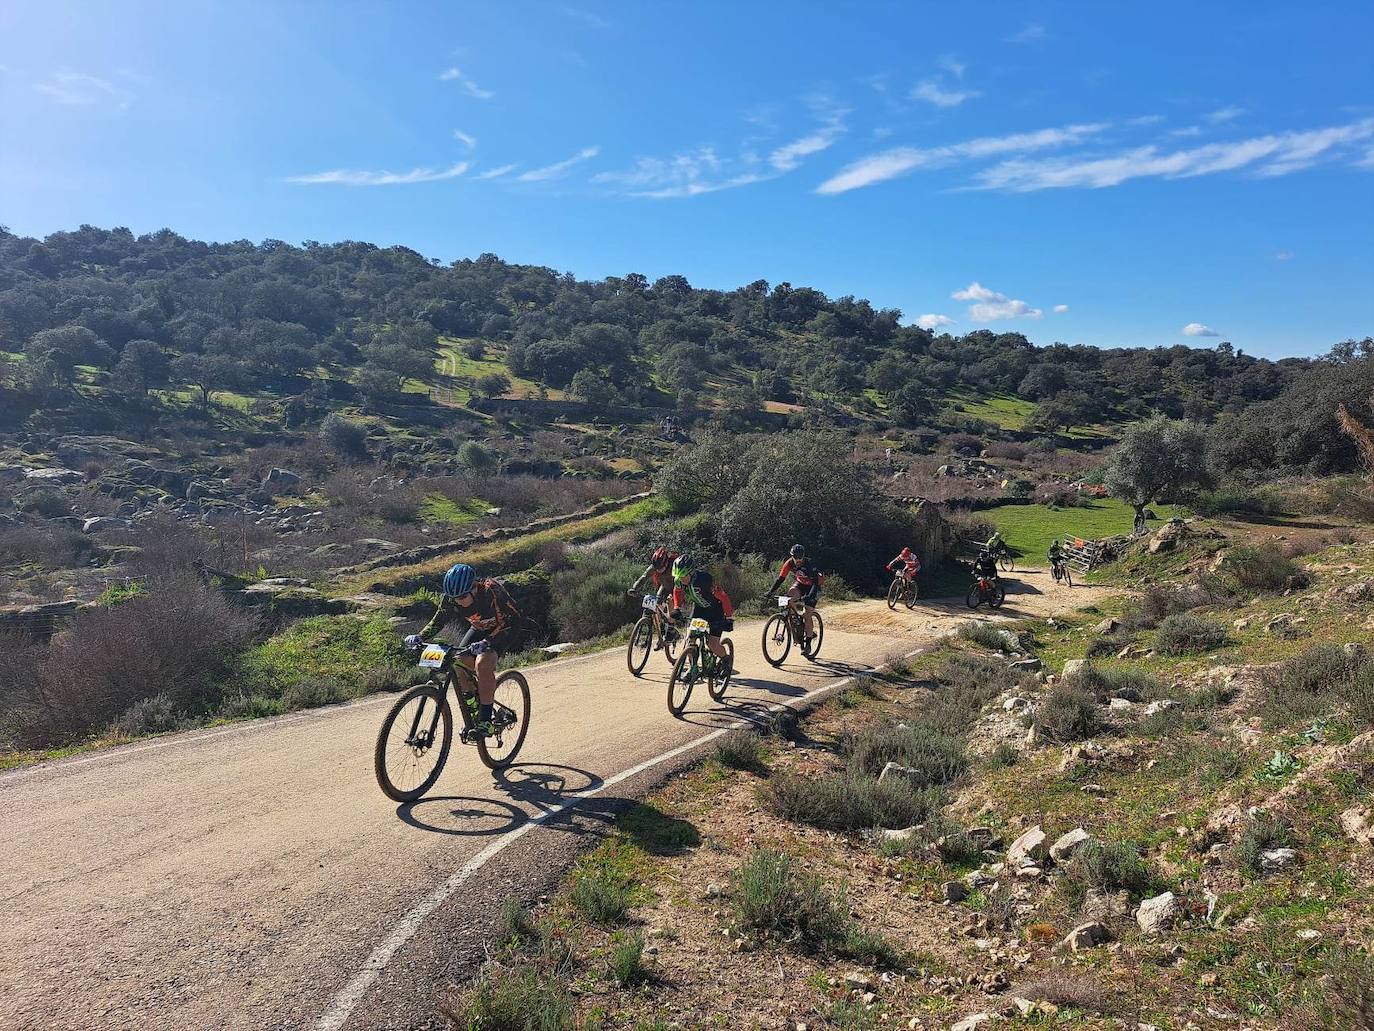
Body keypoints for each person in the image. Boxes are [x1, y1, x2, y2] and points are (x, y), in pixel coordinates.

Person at [404, 563, 524, 737]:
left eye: (462, 596)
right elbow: (439, 620)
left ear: (473, 588)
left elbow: (512, 620)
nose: (458, 601)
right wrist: (420, 636)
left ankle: (486, 720)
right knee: (458, 661)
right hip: (479, 627)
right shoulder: (451, 597)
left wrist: (487, 641)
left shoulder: (491, 591)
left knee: (483, 663)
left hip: (505, 628)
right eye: (454, 598)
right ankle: (475, 705)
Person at [668, 554, 734, 675]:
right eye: (679, 577)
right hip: (699, 609)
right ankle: (692, 668)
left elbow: (723, 597)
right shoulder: (678, 580)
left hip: (716, 611)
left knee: (712, 644)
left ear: (691, 572)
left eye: (684, 576)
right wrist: (677, 607)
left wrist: (729, 617)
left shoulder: (705, 580)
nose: (681, 579)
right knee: (690, 639)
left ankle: (726, 660)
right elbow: (677, 591)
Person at [766, 544, 823, 642]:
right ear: (792, 556)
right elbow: (780, 579)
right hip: (800, 583)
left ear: (803, 556)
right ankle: (795, 619)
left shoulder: (809, 564)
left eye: (800, 557)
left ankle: (808, 641)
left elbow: (815, 583)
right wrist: (771, 591)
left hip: (814, 586)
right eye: (796, 557)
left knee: (807, 613)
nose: (798, 559)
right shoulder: (789, 563)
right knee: (789, 598)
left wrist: (809, 596)